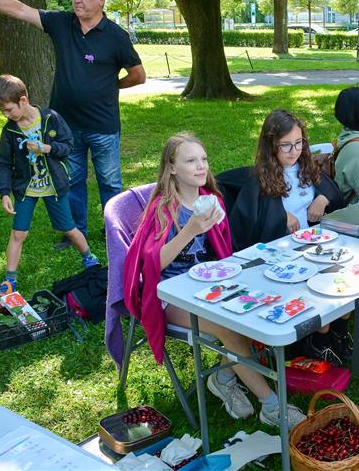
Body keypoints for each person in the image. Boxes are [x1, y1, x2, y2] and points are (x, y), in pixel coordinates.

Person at [122, 132, 306, 430]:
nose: (201, 166)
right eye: (191, 160)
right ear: (171, 168)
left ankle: (222, 378)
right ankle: (272, 406)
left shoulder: (211, 200)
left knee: (256, 311)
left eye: (203, 159)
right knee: (227, 325)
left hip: (207, 288)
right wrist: (189, 230)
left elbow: (222, 254)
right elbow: (150, 265)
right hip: (170, 294)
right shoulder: (163, 208)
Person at [0, 0, 146, 244]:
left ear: (101, 0)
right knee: (71, 180)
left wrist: (110, 86)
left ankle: (115, 232)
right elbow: (18, 8)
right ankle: (76, 233)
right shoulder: (62, 23)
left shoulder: (116, 36)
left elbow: (138, 75)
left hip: (103, 124)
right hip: (65, 125)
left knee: (110, 182)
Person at [0, 75, 98, 294]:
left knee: (69, 229)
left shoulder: (51, 118)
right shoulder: (9, 130)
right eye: (2, 111)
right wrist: (4, 192)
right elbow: (4, 163)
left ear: (23, 100)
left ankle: (89, 259)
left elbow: (68, 146)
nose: (6, 115)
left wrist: (46, 148)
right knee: (18, 234)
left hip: (53, 185)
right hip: (25, 188)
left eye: (8, 109)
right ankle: (10, 278)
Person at [229, 109, 343, 251]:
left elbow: (335, 194)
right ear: (271, 145)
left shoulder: (307, 167)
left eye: (298, 142)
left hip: (314, 244)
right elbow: (247, 225)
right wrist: (281, 216)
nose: (294, 151)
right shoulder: (259, 180)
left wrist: (324, 198)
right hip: (280, 251)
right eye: (285, 145)